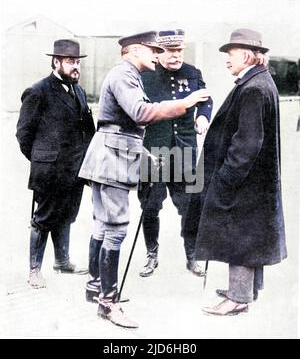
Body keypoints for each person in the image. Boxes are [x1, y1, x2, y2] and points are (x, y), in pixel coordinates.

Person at [79, 30, 211, 328]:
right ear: (135, 50)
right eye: (152, 50)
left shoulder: (127, 74)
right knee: (115, 229)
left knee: (102, 224)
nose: (158, 55)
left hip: (114, 155)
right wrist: (186, 103)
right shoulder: (125, 75)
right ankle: (108, 303)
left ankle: (95, 287)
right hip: (113, 160)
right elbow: (140, 112)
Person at [183, 28, 287, 316]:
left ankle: (237, 298)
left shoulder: (253, 88)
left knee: (239, 235)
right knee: (251, 235)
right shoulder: (261, 82)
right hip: (257, 181)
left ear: (245, 55)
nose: (227, 61)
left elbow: (248, 144)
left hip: (244, 181)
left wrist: (225, 179)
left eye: (230, 55)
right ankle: (245, 290)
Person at [16, 39, 95, 289]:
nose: (76, 68)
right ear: (56, 62)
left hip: (76, 170)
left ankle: (62, 261)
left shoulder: (78, 90)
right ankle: (34, 270)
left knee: (67, 216)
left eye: (78, 63)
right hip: (50, 171)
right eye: (71, 62)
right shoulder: (38, 91)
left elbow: (87, 130)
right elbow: (23, 134)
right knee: (43, 219)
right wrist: (42, 159)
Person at [138, 29, 213, 278]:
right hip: (154, 152)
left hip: (185, 152)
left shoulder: (192, 73)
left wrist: (203, 116)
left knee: (191, 206)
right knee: (149, 206)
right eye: (170, 51)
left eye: (179, 50)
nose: (176, 56)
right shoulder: (144, 75)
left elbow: (205, 99)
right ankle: (151, 255)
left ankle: (192, 256)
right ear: (159, 52)